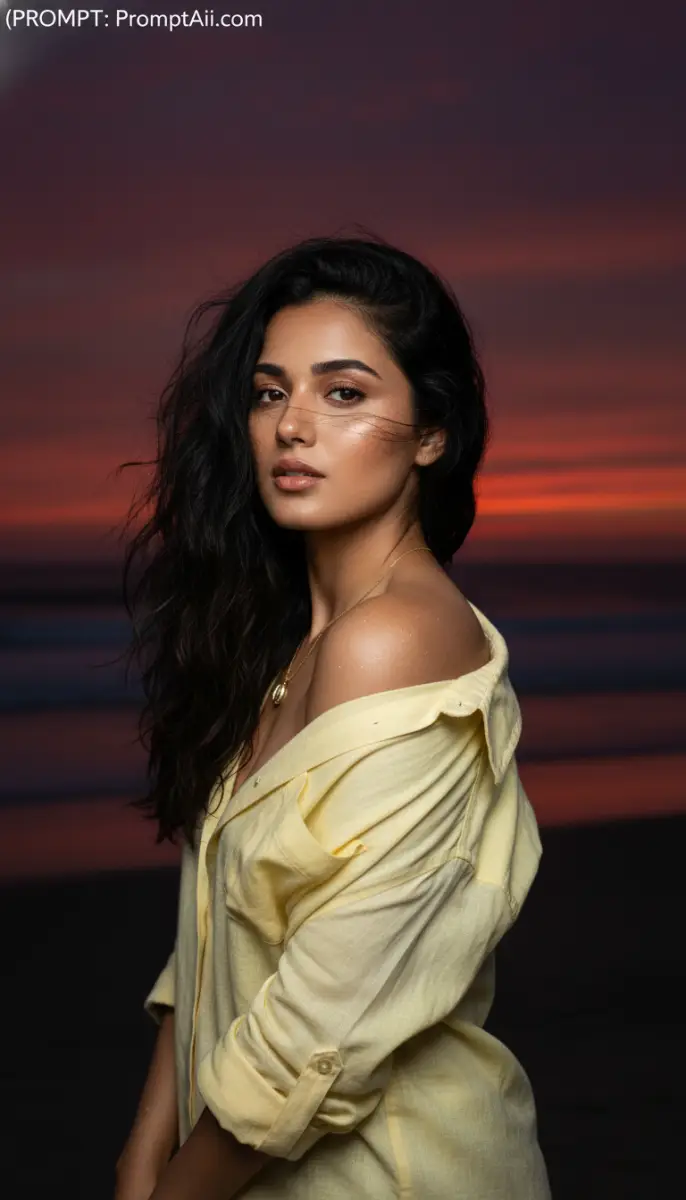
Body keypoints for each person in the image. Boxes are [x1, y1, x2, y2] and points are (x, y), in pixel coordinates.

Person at [114, 233, 551, 1199]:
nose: (292, 427)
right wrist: (142, 1151)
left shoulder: (392, 642)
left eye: (344, 393)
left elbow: (322, 1031)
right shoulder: (289, 643)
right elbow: (214, 935)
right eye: (271, 392)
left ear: (430, 433)